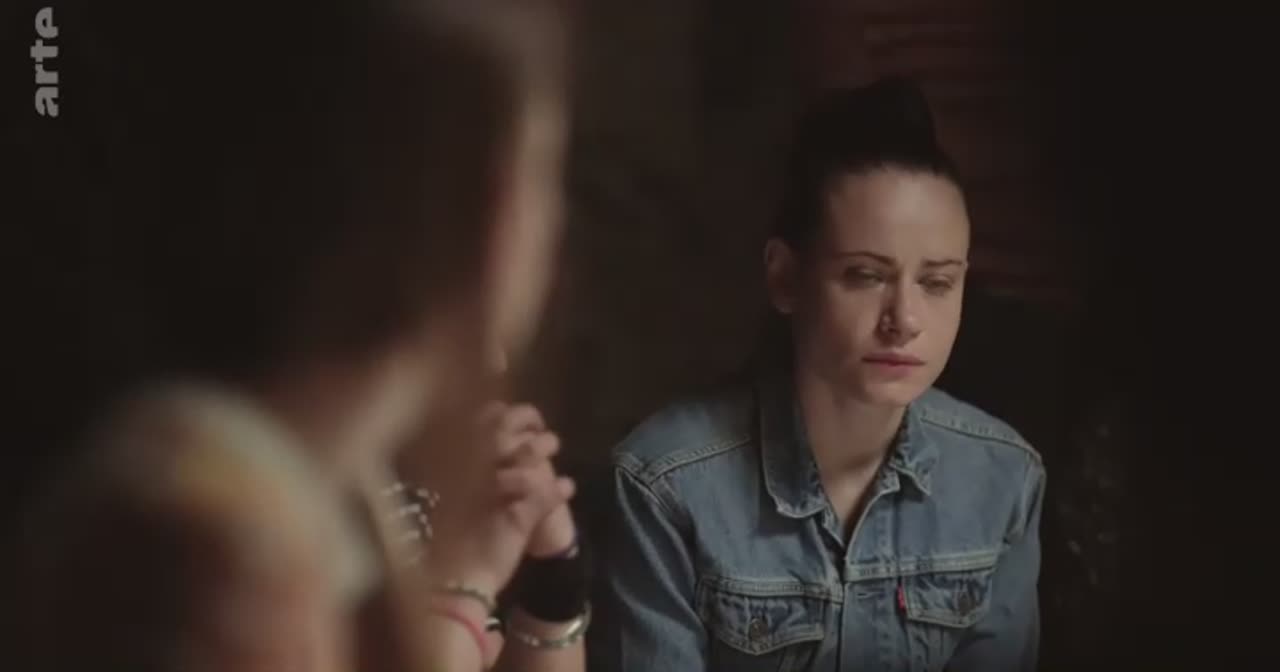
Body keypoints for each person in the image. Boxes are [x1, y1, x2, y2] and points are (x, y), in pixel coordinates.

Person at [5, 1, 587, 671]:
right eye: (543, 170)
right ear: (475, 208)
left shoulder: (329, 482)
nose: (555, 226)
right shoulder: (202, 544)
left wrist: (542, 582)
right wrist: (467, 585)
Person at [589, 77, 1046, 672]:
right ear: (785, 278)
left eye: (937, 283)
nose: (905, 320)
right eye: (865, 275)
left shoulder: (1003, 478)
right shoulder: (664, 487)